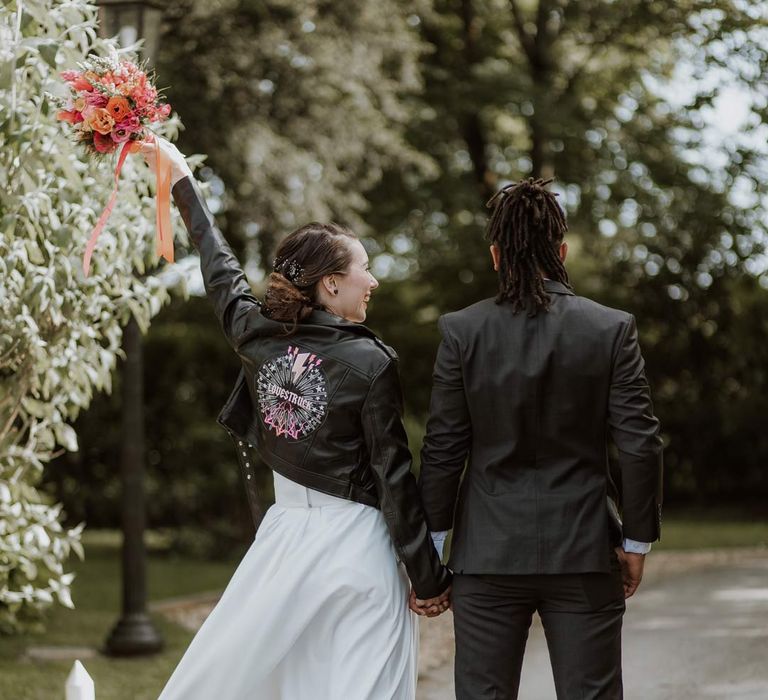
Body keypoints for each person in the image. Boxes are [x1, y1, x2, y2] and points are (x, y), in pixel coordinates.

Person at [139, 137, 451, 700]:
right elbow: (393, 476)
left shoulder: (255, 334)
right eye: (365, 269)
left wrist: (182, 178)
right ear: (331, 283)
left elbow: (217, 266)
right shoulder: (372, 361)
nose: (373, 281)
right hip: (358, 548)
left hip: (282, 543)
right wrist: (427, 578)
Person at [418, 178, 664, 700]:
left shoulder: (462, 331)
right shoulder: (611, 328)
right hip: (583, 550)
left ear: (495, 255)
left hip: (486, 556)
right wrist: (637, 539)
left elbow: (443, 448)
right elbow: (639, 444)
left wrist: (434, 549)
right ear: (561, 252)